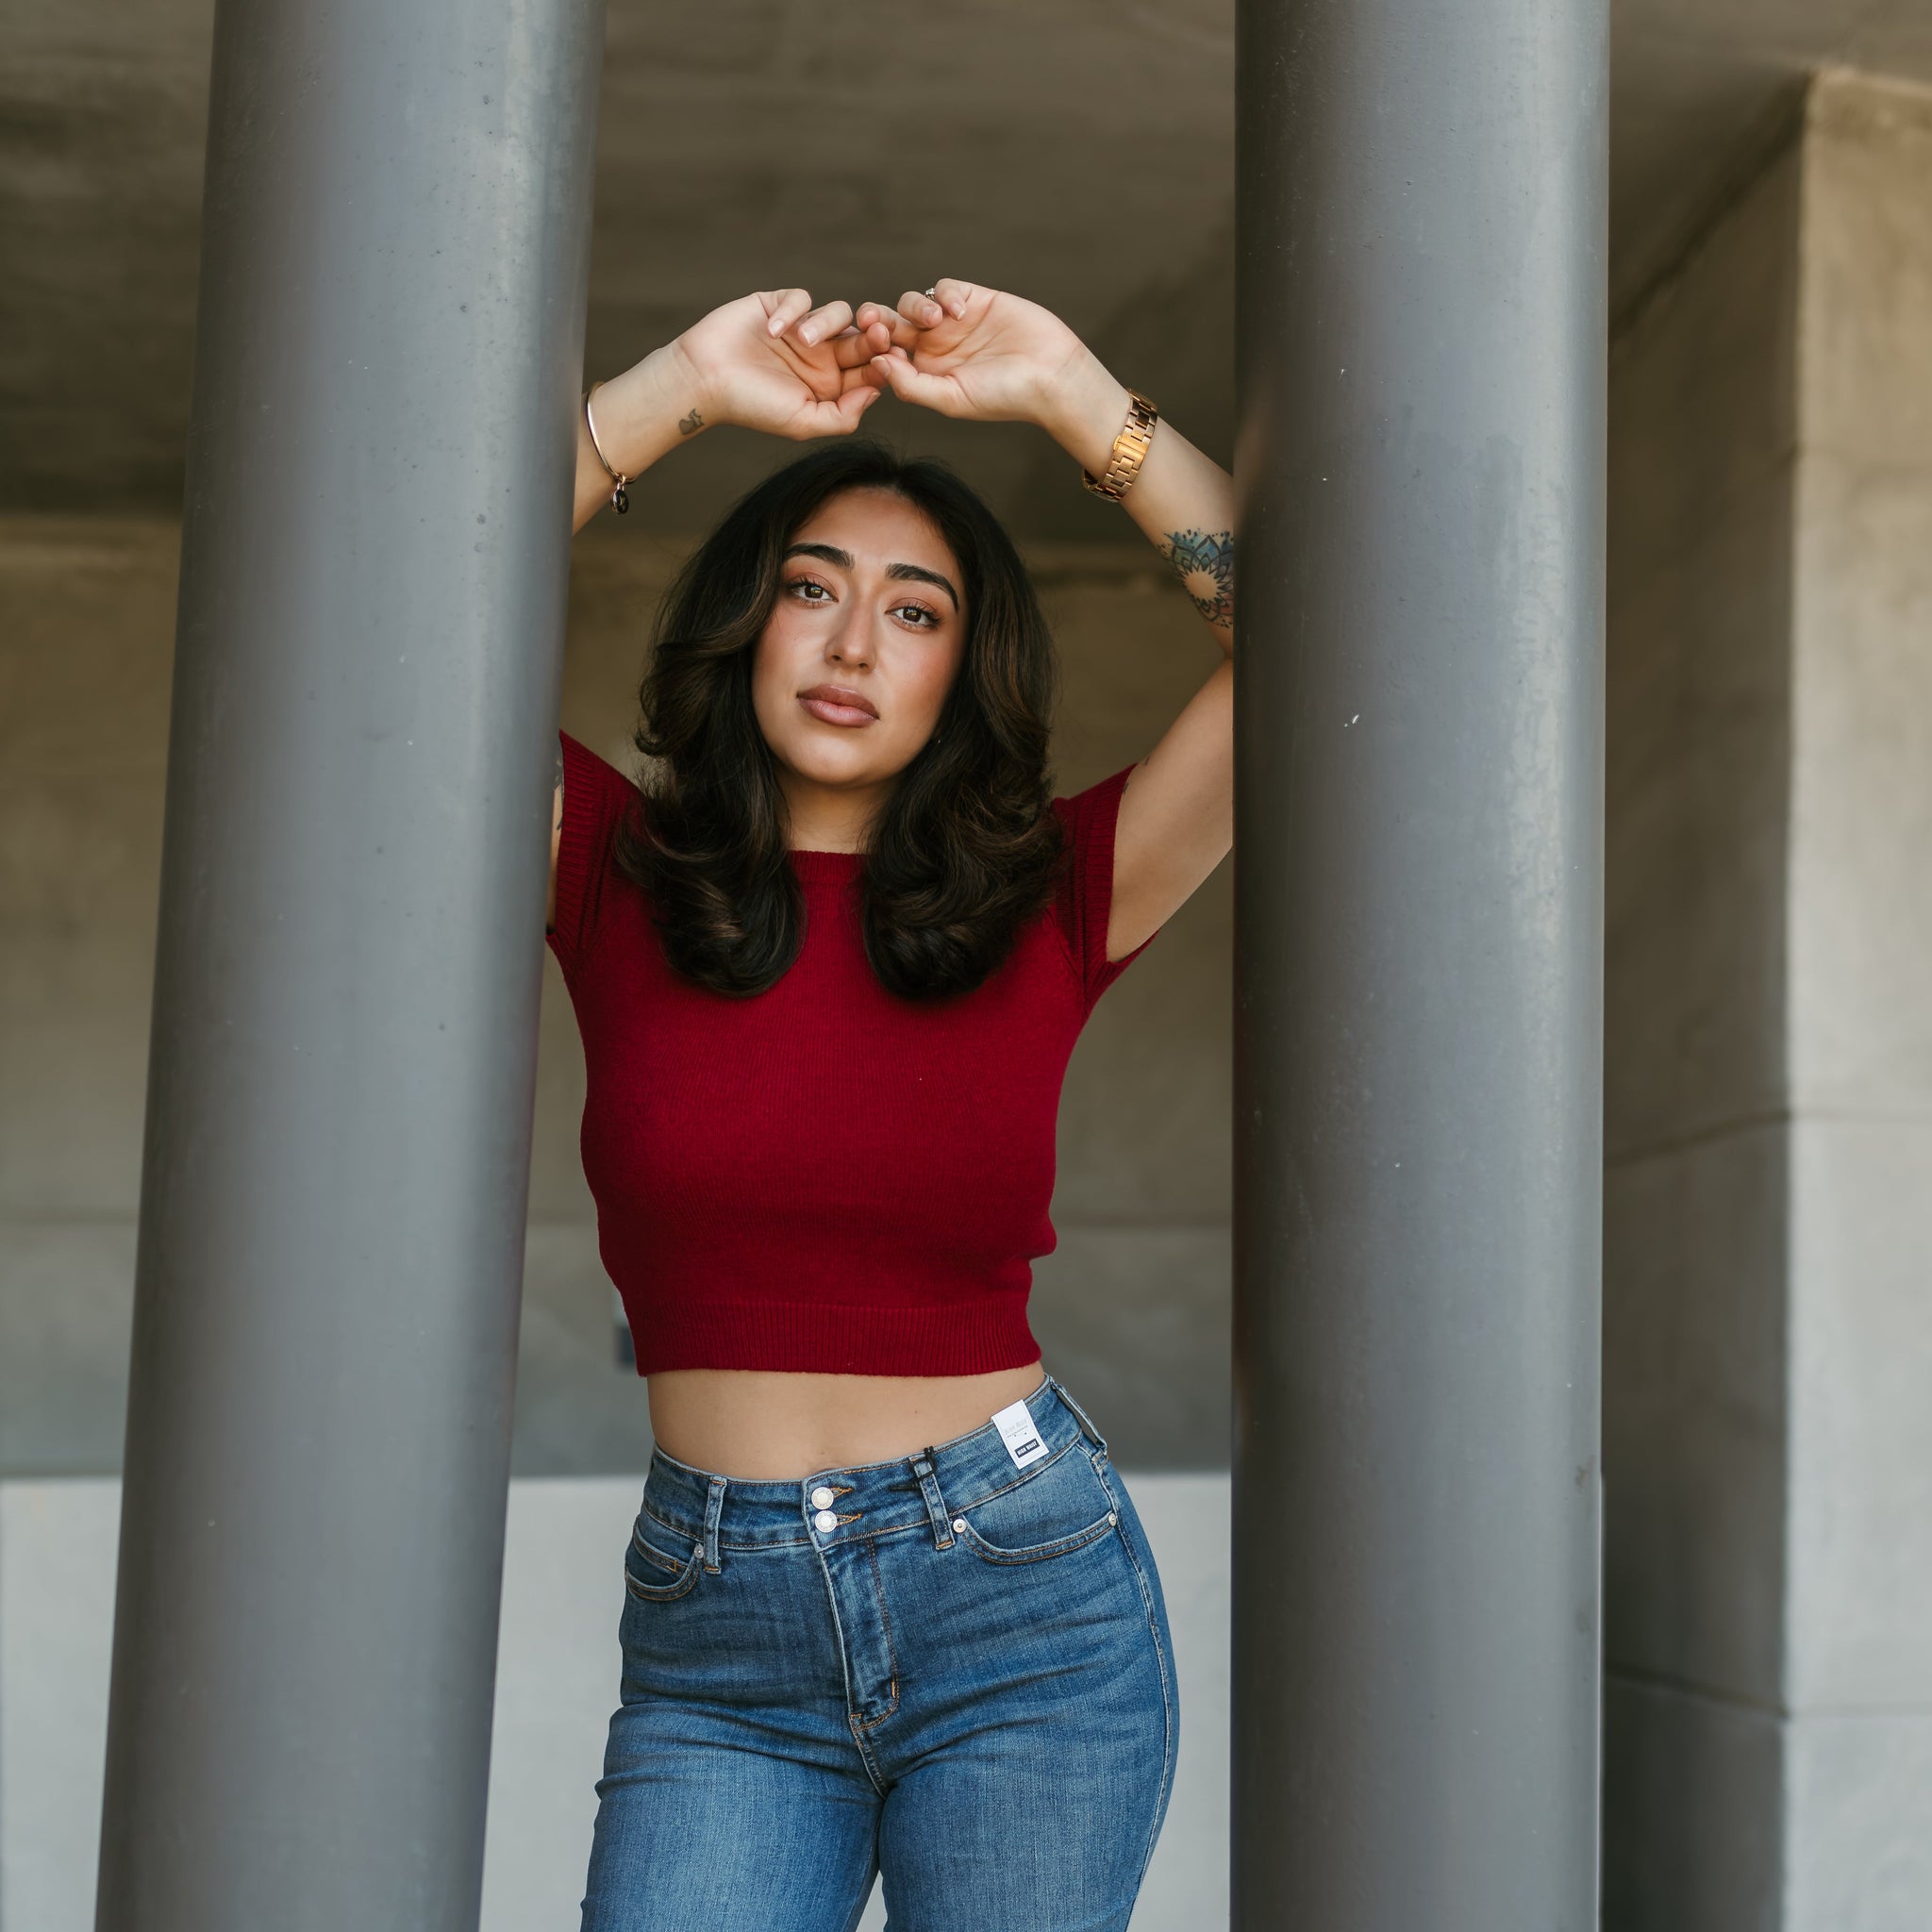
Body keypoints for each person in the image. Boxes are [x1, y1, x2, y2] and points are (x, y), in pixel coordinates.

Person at [550, 279, 1233, 1932]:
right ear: (747, 621)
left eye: (917, 612)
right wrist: (681, 389)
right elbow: (386, 586)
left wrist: (1080, 395)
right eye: (812, 590)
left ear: (960, 670)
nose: (856, 645)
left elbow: (1357, 639)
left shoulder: (1061, 890)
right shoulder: (612, 873)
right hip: (719, 1636)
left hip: (1021, 1602)